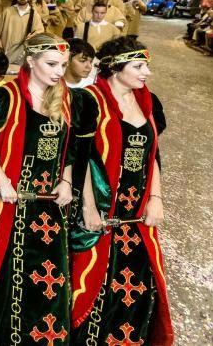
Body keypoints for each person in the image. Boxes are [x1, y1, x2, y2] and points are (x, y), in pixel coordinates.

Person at [0, 34, 78, 344]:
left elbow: (68, 150)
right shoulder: (5, 95)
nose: (59, 72)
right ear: (30, 61)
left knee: (49, 277)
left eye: (64, 65)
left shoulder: (65, 99)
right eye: (52, 64)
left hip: (49, 205)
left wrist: (66, 181)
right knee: (9, 274)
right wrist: (3, 180)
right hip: (11, 199)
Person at [70, 37, 173, 345]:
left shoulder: (148, 101)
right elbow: (81, 156)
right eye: (139, 66)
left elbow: (153, 154)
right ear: (116, 68)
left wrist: (156, 198)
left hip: (137, 213)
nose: (146, 73)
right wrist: (88, 206)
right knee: (94, 284)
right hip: (102, 209)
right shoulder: (89, 100)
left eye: (147, 67)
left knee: (140, 284)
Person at [0, 0, 45, 66]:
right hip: (6, 48)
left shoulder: (33, 14)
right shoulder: (8, 11)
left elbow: (40, 30)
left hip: (22, 50)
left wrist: (33, 35)